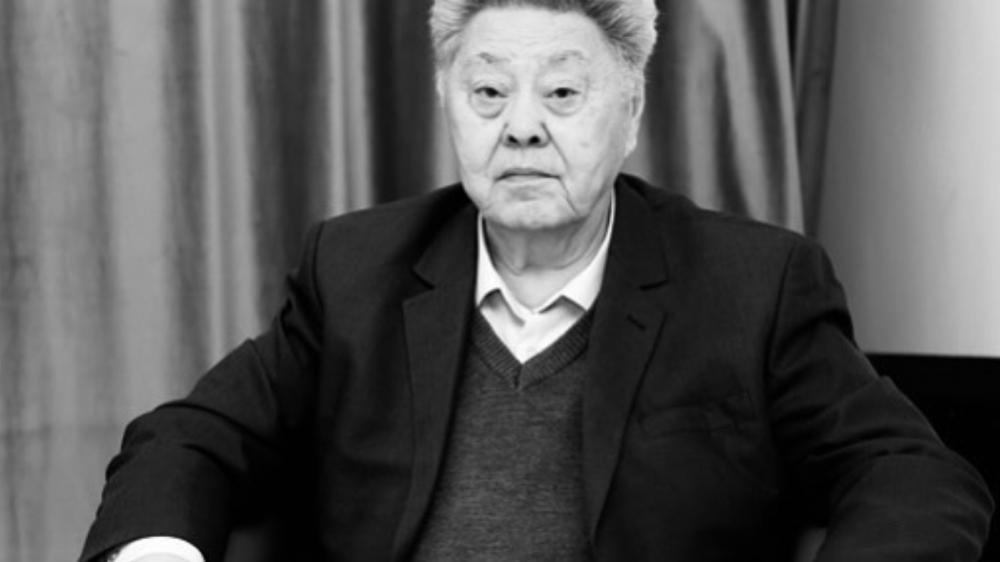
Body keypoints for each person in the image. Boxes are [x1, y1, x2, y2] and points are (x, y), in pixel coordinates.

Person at [81, 1, 993, 561]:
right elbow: (190, 437)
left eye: (562, 93)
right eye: (488, 93)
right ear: (449, 105)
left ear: (630, 111)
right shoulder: (355, 269)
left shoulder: (752, 284)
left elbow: (911, 473)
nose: (520, 127)